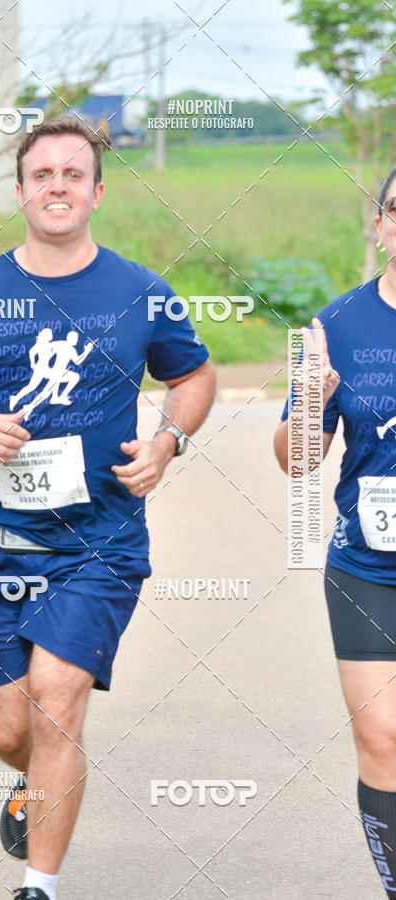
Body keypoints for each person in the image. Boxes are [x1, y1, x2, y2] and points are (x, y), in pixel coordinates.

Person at [0, 118, 215, 900]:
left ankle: (38, 887)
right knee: (14, 731)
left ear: (97, 192)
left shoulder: (141, 292)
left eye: (74, 175)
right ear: (20, 191)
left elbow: (195, 375)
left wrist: (169, 439)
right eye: (43, 174)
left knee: (56, 700)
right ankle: (31, 782)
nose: (58, 186)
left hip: (99, 543)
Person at [274, 165, 396, 896]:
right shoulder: (337, 325)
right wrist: (310, 402)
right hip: (368, 568)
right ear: (379, 224)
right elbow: (297, 460)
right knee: (382, 739)